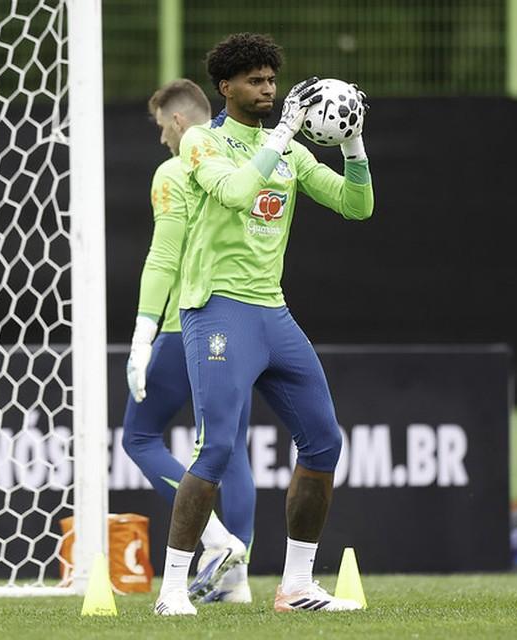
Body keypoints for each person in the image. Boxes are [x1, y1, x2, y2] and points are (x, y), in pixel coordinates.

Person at [153, 33, 374, 616]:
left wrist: (352, 147)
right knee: (217, 447)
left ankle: (296, 585)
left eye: (272, 81)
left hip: (272, 313)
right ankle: (173, 588)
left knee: (325, 441)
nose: (269, 90)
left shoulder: (293, 152)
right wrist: (282, 137)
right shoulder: (202, 141)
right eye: (255, 81)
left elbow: (357, 206)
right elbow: (235, 191)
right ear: (225, 88)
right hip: (217, 309)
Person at [123, 78, 255, 604]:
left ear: (179, 122)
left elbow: (164, 255)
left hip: (188, 324)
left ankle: (214, 539)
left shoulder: (176, 170)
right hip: (247, 322)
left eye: (161, 127)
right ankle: (237, 582)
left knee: (139, 437)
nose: (161, 140)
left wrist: (142, 333)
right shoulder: (243, 163)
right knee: (231, 449)